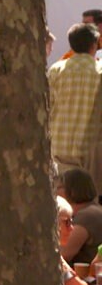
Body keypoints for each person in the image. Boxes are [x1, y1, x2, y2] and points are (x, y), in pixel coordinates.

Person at [49, 22, 102, 177]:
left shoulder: (56, 70)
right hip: (91, 155)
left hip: (58, 150)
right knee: (89, 198)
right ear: (94, 44)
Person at [60, 168, 102, 264]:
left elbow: (64, 255)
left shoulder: (86, 217)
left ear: (73, 191)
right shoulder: (95, 209)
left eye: (59, 188)